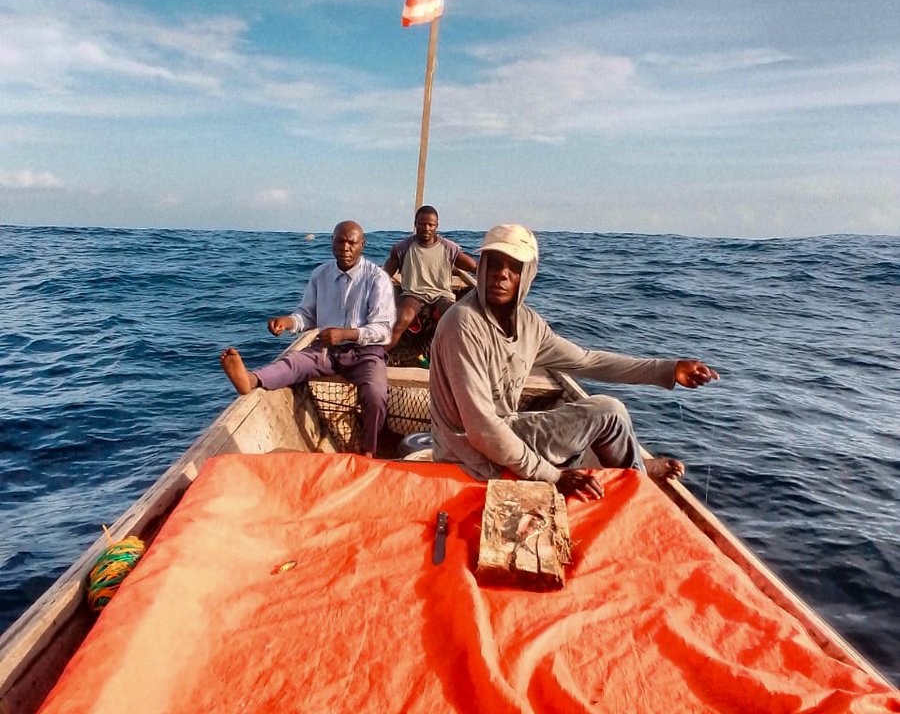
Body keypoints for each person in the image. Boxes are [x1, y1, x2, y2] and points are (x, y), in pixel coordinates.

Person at [429, 224, 719, 500]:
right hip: (467, 454)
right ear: (480, 268)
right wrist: (553, 477)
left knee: (611, 412)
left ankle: (635, 480)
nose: (501, 275)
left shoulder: (529, 324)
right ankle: (635, 476)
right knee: (582, 444)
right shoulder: (463, 323)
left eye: (513, 267)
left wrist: (668, 369)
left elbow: (588, 361)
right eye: (493, 264)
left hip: (506, 430)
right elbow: (482, 430)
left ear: (527, 274)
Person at [219, 221, 395, 457]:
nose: (345, 247)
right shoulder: (320, 274)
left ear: (362, 245)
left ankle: (368, 451)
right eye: (340, 241)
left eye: (352, 242)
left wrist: (345, 334)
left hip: (365, 352)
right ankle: (251, 380)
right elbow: (307, 315)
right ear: (332, 242)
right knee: (294, 362)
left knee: (375, 393)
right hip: (326, 349)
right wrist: (288, 322)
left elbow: (383, 329)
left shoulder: (377, 278)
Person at [382, 205, 477, 350]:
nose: (426, 228)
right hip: (413, 294)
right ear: (415, 224)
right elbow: (383, 276)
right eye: (422, 223)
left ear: (436, 226)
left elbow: (474, 267)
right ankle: (377, 354)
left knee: (459, 318)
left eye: (431, 224)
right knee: (402, 317)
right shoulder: (403, 248)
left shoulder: (449, 248)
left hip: (442, 295)